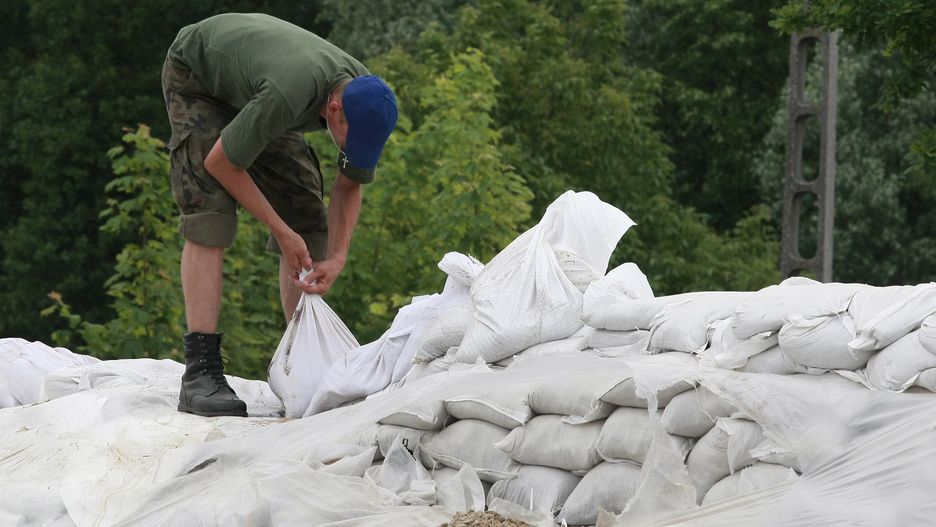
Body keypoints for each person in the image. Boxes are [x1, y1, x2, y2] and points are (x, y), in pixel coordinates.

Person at [161, 13, 397, 417]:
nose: (351, 148)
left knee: (307, 215)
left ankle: (302, 364)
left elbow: (349, 185)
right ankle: (200, 373)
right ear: (334, 109)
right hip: (199, 75)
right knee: (210, 215)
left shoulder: (368, 99)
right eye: (349, 138)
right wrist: (280, 231)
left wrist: (337, 257)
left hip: (260, 88)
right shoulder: (290, 94)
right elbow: (221, 163)